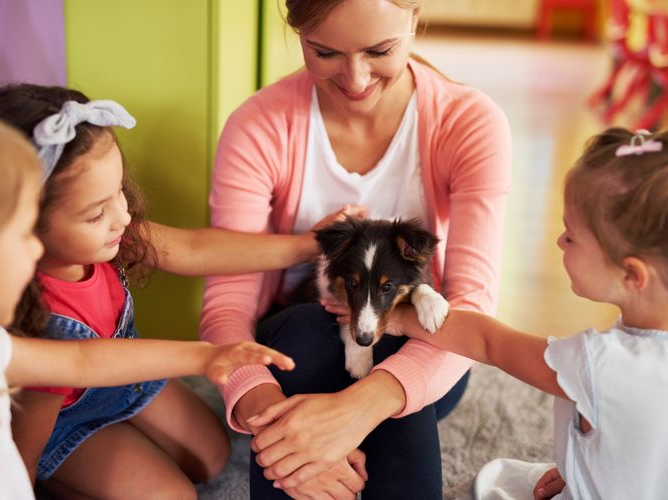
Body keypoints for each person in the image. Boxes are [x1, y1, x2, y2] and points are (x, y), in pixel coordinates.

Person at [0, 83, 349, 499]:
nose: (123, 214)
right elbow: (38, 426)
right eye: (96, 213)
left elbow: (195, 248)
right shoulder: (33, 314)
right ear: (26, 222)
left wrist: (305, 245)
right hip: (66, 421)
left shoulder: (113, 236)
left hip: (127, 379)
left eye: (118, 190)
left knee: (214, 457)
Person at [201, 0, 511, 497]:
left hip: (423, 350)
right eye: (324, 52)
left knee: (393, 333)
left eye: (380, 50)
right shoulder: (259, 126)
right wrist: (266, 416)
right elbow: (226, 307)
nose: (356, 79)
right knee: (307, 330)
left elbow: (471, 306)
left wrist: (361, 406)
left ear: (415, 16)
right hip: (295, 347)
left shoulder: (468, 123)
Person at [386, 104, 668, 499]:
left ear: (632, 274)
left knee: (493, 484)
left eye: (570, 235)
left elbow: (488, 342)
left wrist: (403, 318)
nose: (559, 242)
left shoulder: (600, 364)